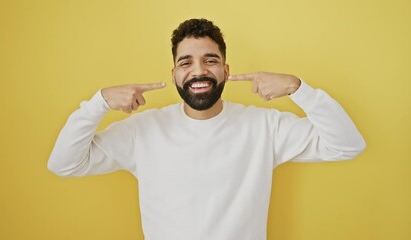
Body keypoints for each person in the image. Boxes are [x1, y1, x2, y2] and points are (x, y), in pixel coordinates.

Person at [48, 18, 366, 240]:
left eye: (210, 60)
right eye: (186, 63)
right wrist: (99, 103)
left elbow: (347, 145)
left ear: (226, 71)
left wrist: (298, 88)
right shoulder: (143, 130)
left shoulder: (264, 126)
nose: (198, 71)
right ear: (174, 74)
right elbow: (64, 163)